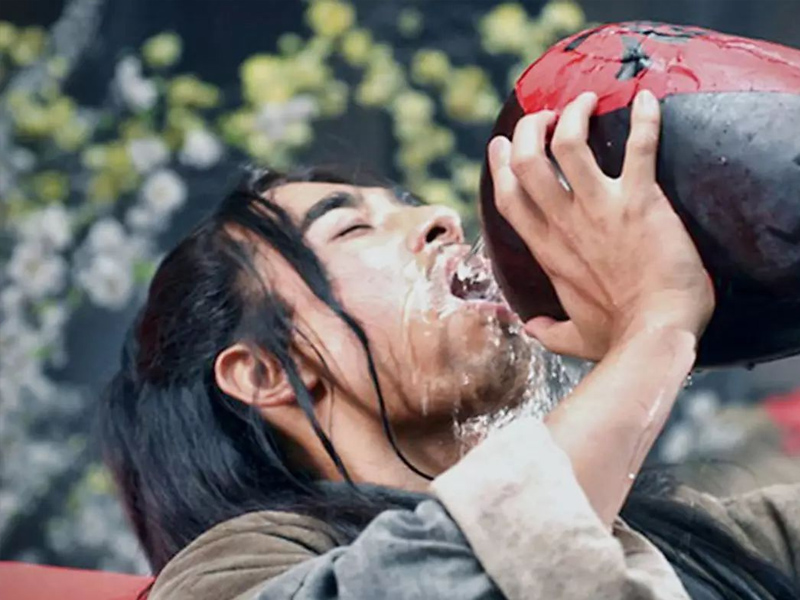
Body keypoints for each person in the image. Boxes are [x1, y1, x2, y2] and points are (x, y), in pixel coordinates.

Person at [100, 90, 800, 599]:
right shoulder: (230, 573)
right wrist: (653, 331)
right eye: (350, 227)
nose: (442, 218)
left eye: (406, 205)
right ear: (263, 372)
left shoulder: (703, 542)